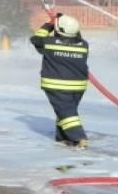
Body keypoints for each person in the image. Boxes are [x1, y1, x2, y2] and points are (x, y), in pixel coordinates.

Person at [30, 14, 90, 149]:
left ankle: (79, 137)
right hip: (78, 87)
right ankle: (63, 138)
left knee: (67, 113)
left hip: (57, 86)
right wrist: (60, 24)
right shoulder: (84, 45)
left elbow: (36, 39)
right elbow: (75, 36)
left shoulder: (49, 44)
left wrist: (49, 25)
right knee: (65, 111)